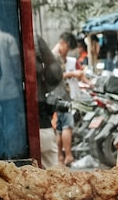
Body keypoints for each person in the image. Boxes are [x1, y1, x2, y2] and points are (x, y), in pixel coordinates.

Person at [50, 32, 86, 166]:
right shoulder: (54, 58)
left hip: (58, 96)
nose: (68, 52)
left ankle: (60, 157)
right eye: (68, 48)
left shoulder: (56, 57)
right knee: (67, 126)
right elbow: (57, 76)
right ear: (63, 44)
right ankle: (68, 156)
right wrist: (72, 73)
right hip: (61, 96)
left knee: (59, 128)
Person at [35, 35, 64, 169]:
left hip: (6, 119)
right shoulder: (34, 38)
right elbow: (54, 72)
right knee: (52, 172)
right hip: (39, 117)